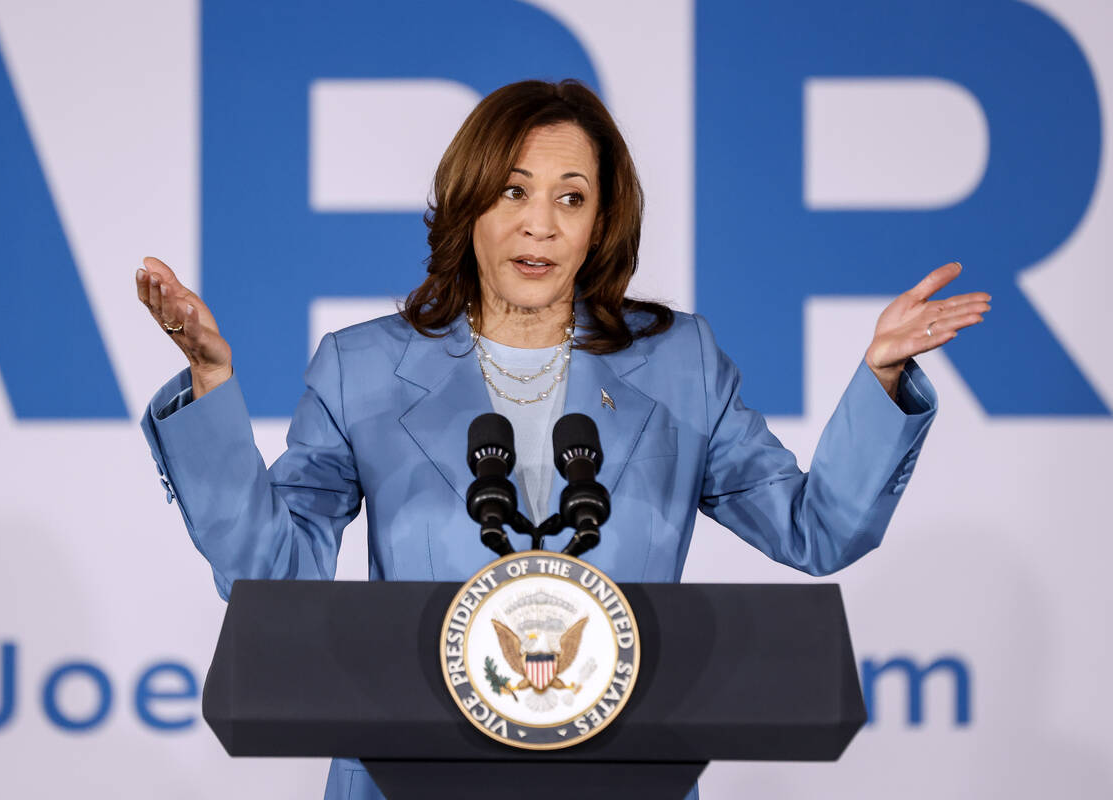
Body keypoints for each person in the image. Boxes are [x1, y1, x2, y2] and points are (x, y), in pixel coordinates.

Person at [136, 80, 989, 800]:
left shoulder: (677, 361)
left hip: (622, 775)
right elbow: (271, 578)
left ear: (600, 220)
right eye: (512, 191)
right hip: (409, 778)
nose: (539, 224)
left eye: (570, 197)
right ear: (468, 201)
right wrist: (212, 385)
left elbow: (818, 529)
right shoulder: (361, 367)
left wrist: (879, 377)